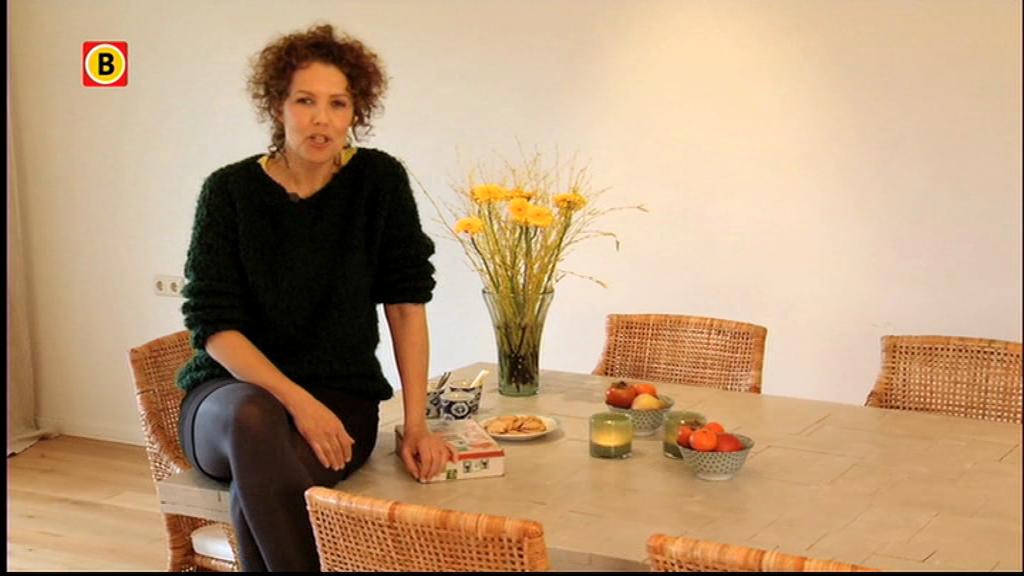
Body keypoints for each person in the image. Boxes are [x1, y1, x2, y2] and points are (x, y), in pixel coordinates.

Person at [175, 23, 454, 571]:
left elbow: (406, 304)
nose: (321, 118)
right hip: (226, 403)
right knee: (254, 420)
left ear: (355, 113)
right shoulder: (228, 192)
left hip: (341, 401)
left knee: (260, 486)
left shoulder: (379, 182)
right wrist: (299, 404)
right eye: (305, 101)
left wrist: (417, 424)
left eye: (337, 103)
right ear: (277, 106)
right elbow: (214, 326)